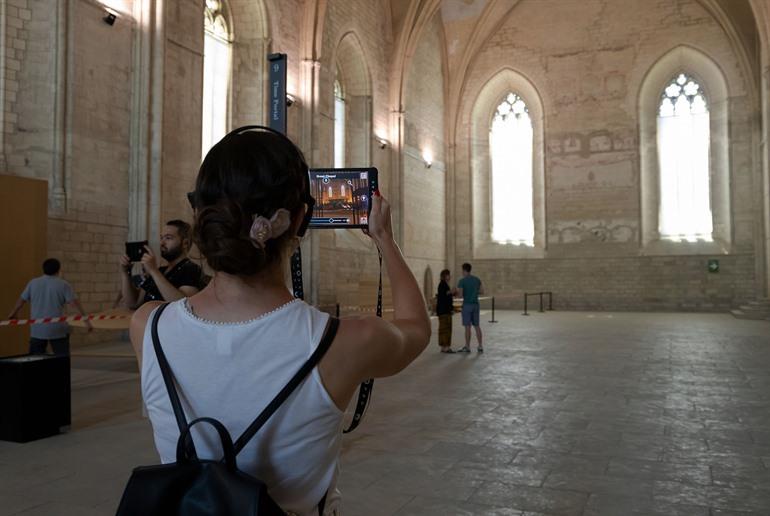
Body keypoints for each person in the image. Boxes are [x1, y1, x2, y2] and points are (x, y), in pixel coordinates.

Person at [128, 127, 431, 515]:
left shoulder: (147, 327)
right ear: (300, 219)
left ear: (201, 217)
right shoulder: (344, 341)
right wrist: (384, 238)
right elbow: (416, 329)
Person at [7, 258, 92, 355]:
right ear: (58, 270)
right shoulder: (63, 284)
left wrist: (13, 313)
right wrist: (87, 322)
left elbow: (21, 301)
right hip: (57, 328)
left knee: (35, 361)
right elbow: (76, 305)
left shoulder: (33, 283)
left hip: (37, 328)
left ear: (43, 269)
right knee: (61, 360)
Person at [119, 220, 203, 308]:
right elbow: (133, 303)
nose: (162, 243)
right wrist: (125, 273)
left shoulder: (191, 269)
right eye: (161, 238)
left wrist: (153, 270)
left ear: (185, 243)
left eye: (168, 238)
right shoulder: (161, 271)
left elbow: (183, 306)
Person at [456, 262, 483, 353]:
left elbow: (460, 295)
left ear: (464, 270)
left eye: (462, 271)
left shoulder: (462, 281)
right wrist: (474, 292)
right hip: (475, 305)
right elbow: (482, 291)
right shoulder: (477, 280)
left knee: (467, 327)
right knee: (477, 326)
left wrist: (456, 294)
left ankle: (467, 346)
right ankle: (480, 346)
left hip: (467, 305)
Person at [436, 269, 455, 353]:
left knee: (443, 329)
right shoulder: (442, 284)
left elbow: (446, 295)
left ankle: (443, 347)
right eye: (448, 275)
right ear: (444, 276)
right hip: (444, 311)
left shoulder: (443, 284)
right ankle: (446, 347)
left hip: (444, 310)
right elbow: (444, 294)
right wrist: (452, 291)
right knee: (446, 328)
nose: (449, 276)